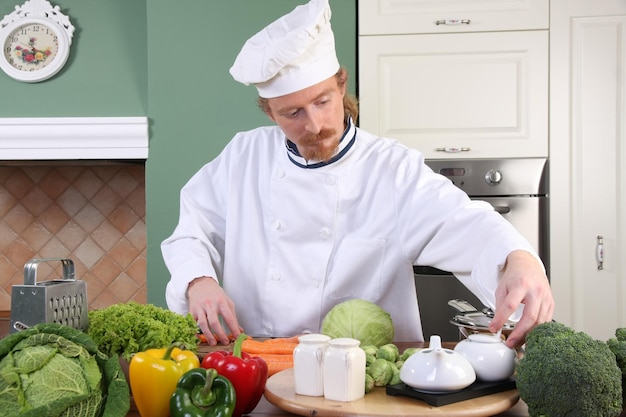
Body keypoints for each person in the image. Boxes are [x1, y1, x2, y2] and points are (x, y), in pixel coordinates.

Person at [162, 0, 554, 349]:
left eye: (322, 101)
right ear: (269, 112)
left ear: (341, 84)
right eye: (292, 113)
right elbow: (190, 232)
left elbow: (465, 223)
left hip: (362, 386)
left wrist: (517, 258)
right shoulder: (242, 158)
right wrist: (199, 282)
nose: (314, 125)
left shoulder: (392, 170)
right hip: (258, 375)